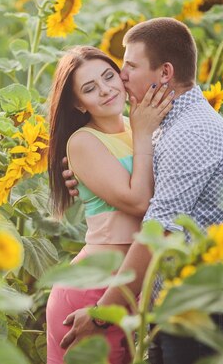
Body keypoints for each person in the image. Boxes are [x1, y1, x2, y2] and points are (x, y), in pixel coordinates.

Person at [59, 17, 223, 364]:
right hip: (175, 311)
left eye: (129, 65)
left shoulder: (190, 133)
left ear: (164, 73)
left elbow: (157, 229)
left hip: (204, 314)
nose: (122, 76)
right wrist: (85, 178)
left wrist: (102, 314)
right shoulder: (166, 125)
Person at [44, 45, 173, 364]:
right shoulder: (83, 141)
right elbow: (140, 201)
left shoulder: (134, 127)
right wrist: (144, 133)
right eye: (89, 88)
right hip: (92, 290)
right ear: (77, 102)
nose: (105, 90)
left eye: (108, 76)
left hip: (129, 287)